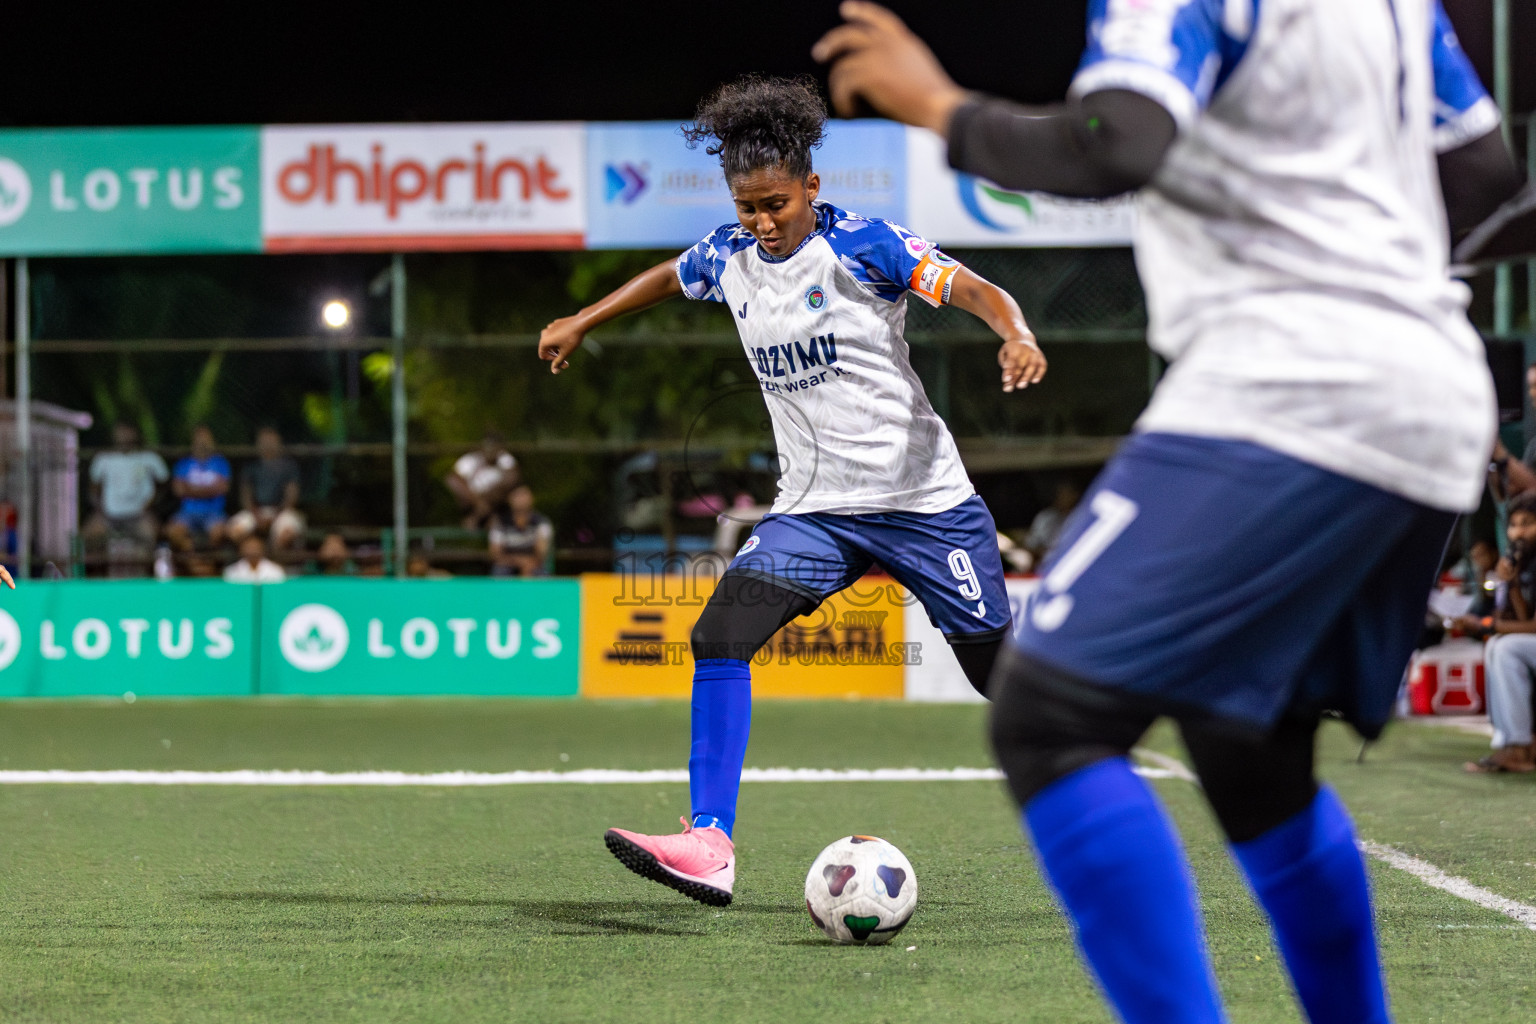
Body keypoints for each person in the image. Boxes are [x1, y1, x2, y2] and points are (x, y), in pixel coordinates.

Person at [815, 1, 1522, 1021]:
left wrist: (939, 107)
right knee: (1249, 750)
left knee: (1048, 718)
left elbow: (1122, 139)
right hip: (1433, 390)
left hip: (1290, 380)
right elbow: (1484, 170)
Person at [537, 74, 1047, 907]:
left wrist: (1016, 332)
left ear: (812, 186)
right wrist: (584, 319)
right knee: (720, 635)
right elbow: (671, 275)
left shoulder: (866, 246)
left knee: (1003, 681)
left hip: (925, 508)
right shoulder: (727, 254)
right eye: (747, 206)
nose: (762, 221)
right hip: (814, 513)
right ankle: (709, 842)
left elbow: (974, 288)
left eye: (776, 202)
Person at [1458, 496, 1536, 773]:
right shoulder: (1526, 559)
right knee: (1497, 646)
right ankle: (1511, 745)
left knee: (1505, 647)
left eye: (1527, 524)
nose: (1518, 532)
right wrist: (1511, 583)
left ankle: (1519, 745)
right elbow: (1524, 617)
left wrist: (1493, 627)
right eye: (1514, 525)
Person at [84, 422, 168, 549]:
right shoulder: (103, 458)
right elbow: (93, 488)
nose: (124, 435)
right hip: (109, 516)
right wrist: (100, 509)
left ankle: (147, 568)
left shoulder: (149, 457)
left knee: (151, 534)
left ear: (135, 433)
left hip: (140, 515)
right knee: (86, 536)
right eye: (121, 431)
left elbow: (164, 484)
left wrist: (151, 504)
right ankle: (91, 568)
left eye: (127, 431)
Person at [228, 427, 304, 550]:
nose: (268, 445)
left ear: (279, 443)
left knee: (285, 535)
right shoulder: (250, 467)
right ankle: (246, 566)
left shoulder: (289, 466)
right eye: (264, 441)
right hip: (255, 512)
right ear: (258, 444)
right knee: (235, 531)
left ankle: (277, 568)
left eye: (271, 441)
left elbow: (291, 497)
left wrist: (274, 517)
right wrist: (257, 516)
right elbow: (245, 496)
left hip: (282, 512)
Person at [164, 424, 231, 551]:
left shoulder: (220, 463)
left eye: (206, 440)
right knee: (173, 532)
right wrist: (209, 490)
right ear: (193, 442)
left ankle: (209, 565)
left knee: (219, 533)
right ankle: (195, 563)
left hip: (214, 513)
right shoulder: (183, 464)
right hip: (187, 513)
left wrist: (191, 490)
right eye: (199, 440)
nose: (202, 443)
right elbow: (178, 490)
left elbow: (222, 488)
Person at [445, 431, 520, 529]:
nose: (490, 449)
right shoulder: (471, 459)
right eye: (488, 445)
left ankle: (479, 519)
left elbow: (511, 480)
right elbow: (452, 480)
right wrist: (477, 501)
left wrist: (486, 498)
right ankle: (480, 519)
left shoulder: (505, 459)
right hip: (471, 505)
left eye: (494, 446)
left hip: (498, 505)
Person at [489, 485, 553, 577]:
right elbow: (495, 553)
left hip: (533, 564)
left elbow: (541, 553)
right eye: (517, 496)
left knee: (541, 575)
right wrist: (519, 562)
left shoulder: (541, 522)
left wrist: (528, 564)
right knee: (499, 572)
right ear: (509, 499)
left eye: (524, 495)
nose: (521, 500)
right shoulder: (500, 523)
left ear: (531, 498)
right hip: (507, 564)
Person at [1022, 480, 1081, 564]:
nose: (1062, 497)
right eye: (1060, 494)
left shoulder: (1081, 517)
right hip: (1045, 564)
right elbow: (1030, 545)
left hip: (1072, 562)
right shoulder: (1045, 517)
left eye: (1067, 494)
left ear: (1075, 495)